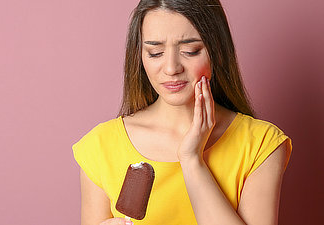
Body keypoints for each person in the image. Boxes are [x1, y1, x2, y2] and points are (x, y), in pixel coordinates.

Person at [72, 0, 293, 224]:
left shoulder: (261, 144)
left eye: (190, 51)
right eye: (155, 53)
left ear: (217, 50)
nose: (171, 68)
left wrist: (191, 160)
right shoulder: (100, 147)